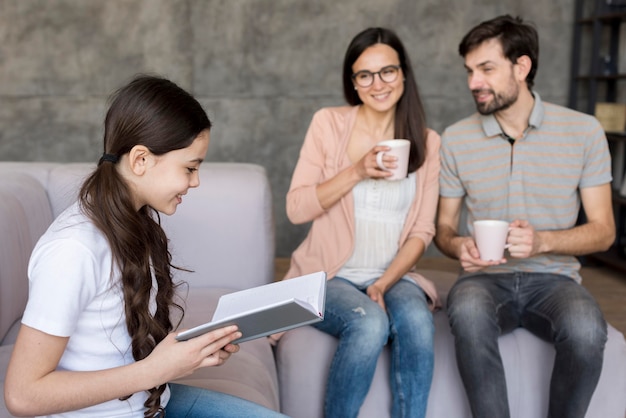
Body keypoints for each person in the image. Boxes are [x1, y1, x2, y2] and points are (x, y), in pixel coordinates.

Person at [3, 75, 286, 418]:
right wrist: (155, 371)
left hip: (152, 403)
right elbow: (22, 395)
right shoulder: (73, 250)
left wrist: (189, 351)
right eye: (190, 168)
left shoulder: (129, 221)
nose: (195, 182)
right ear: (141, 160)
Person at [434, 15, 615, 418]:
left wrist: (543, 241)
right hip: (483, 280)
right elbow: (443, 230)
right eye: (469, 71)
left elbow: (604, 232)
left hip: (555, 279)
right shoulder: (456, 138)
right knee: (466, 311)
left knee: (586, 330)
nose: (473, 83)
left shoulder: (583, 132)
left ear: (522, 67)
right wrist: (457, 244)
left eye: (486, 69)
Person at [283, 27, 441, 418]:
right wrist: (356, 171)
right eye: (364, 75)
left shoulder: (428, 141)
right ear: (353, 83)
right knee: (369, 324)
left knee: (418, 321)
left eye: (388, 71)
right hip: (331, 274)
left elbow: (423, 230)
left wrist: (385, 283)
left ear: (404, 74)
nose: (378, 84)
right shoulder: (329, 124)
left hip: (394, 274)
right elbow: (296, 208)